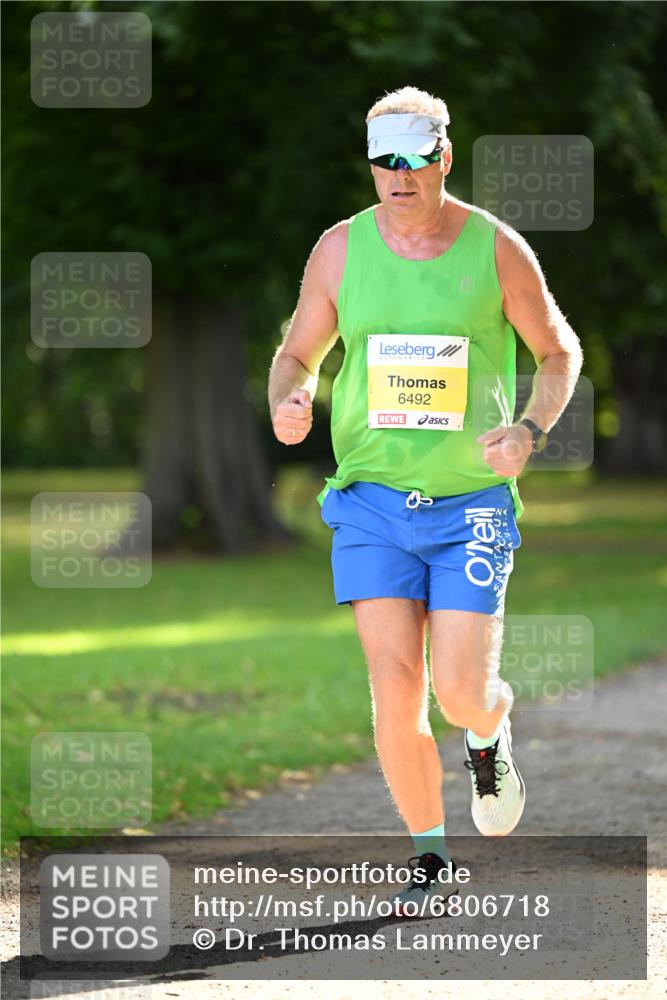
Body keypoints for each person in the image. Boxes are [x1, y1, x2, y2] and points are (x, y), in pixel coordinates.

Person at [268, 86, 583, 916]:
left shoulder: (495, 248)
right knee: (393, 681)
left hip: (470, 501)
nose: (399, 176)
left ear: (443, 158)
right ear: (370, 163)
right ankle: (430, 858)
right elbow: (297, 351)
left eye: (415, 159)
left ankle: (488, 729)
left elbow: (557, 350)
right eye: (384, 160)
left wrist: (526, 430)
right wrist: (289, 398)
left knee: (459, 690)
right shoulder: (340, 250)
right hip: (370, 501)